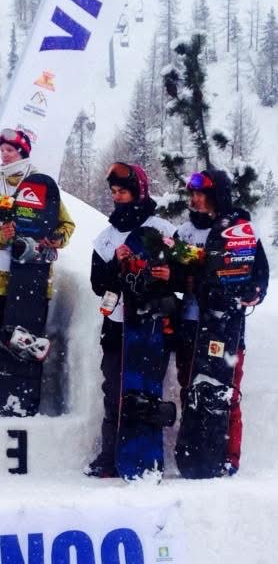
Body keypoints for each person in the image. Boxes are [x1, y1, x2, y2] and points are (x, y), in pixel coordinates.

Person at [174, 169, 269, 475]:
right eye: (192, 194)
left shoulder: (240, 230)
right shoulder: (185, 232)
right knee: (191, 389)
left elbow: (259, 275)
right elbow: (172, 274)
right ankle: (195, 452)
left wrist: (253, 292)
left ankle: (228, 456)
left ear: (217, 195)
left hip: (226, 327)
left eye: (201, 194)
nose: (195, 199)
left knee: (227, 392)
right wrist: (183, 275)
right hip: (191, 323)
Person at [0, 126, 75, 412]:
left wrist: (54, 239)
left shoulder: (42, 187)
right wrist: (0, 236)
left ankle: (24, 398)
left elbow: (66, 225)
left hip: (32, 279)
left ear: (22, 153)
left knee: (26, 341)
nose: (4, 155)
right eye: (1, 150)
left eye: (10, 150)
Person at [85, 162, 176, 478]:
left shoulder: (162, 229)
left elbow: (185, 273)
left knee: (147, 392)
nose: (117, 197)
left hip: (151, 326)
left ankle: (146, 456)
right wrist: (116, 263)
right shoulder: (105, 239)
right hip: (117, 324)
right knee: (114, 392)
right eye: (113, 191)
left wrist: (169, 275)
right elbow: (98, 285)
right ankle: (110, 456)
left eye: (123, 191)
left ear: (138, 191)